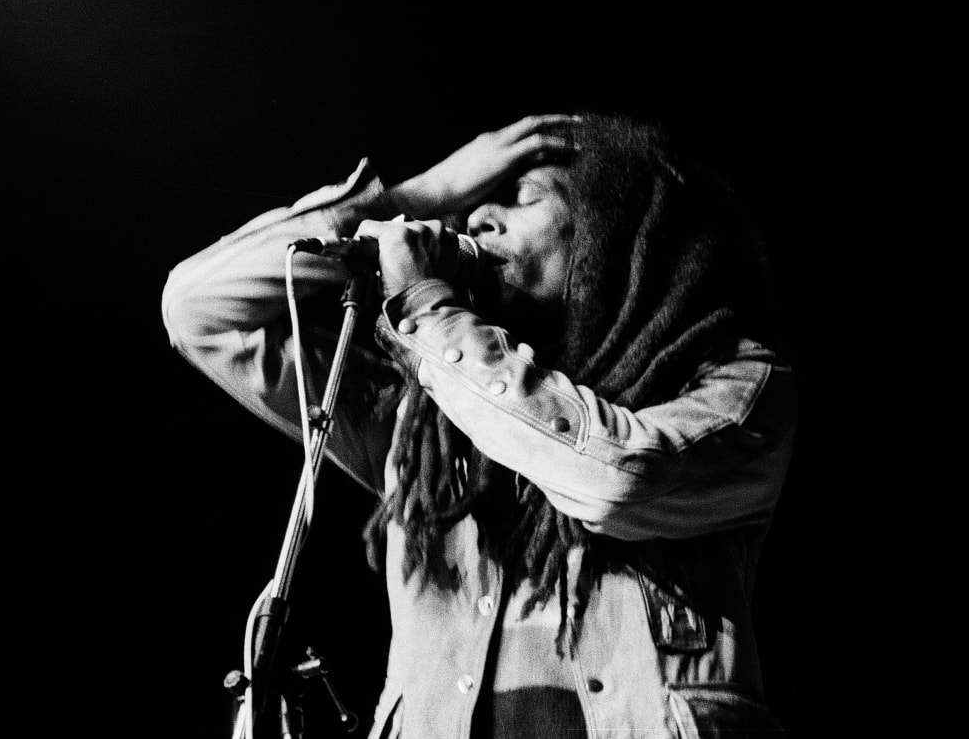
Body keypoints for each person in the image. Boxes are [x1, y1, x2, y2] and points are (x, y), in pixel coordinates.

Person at [161, 112, 797, 738]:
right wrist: (419, 194)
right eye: (467, 209)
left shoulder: (737, 381)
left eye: (521, 199)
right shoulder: (425, 420)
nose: (477, 219)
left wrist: (428, 311)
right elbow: (200, 311)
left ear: (616, 229)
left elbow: (617, 481)